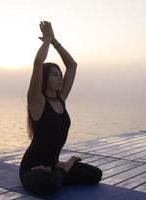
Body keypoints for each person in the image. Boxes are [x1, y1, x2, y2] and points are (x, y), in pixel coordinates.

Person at [19, 21, 102, 197]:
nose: (60, 79)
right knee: (50, 185)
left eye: (60, 75)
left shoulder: (61, 99)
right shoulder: (37, 101)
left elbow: (72, 65)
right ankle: (64, 168)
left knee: (95, 175)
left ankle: (60, 169)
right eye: (55, 75)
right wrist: (47, 40)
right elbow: (38, 63)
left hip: (52, 164)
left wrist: (56, 42)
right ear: (44, 80)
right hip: (32, 169)